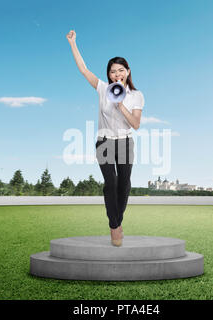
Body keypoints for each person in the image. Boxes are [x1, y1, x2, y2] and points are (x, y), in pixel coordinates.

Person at [66, 29, 145, 247]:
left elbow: (136, 124)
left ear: (128, 72)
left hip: (126, 142)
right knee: (111, 183)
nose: (117, 74)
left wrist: (120, 105)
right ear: (109, 75)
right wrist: (73, 43)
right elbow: (83, 70)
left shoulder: (136, 96)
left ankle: (117, 220)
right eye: (112, 71)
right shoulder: (102, 89)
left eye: (121, 70)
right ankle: (115, 227)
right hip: (104, 141)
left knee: (125, 185)